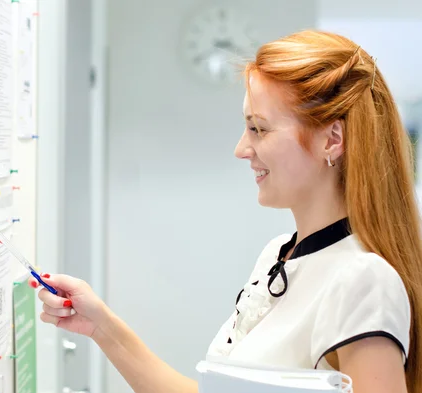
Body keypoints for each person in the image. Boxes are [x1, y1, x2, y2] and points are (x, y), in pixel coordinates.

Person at [29, 30, 422, 393]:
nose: (242, 148)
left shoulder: (364, 280)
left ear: (332, 139)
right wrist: (101, 327)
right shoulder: (278, 255)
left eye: (259, 129)